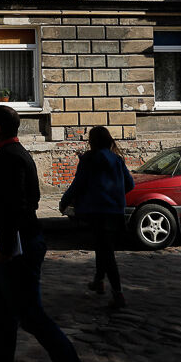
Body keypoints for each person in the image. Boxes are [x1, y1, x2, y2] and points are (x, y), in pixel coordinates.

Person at [0, 105, 96, 362]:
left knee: (31, 316)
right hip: (11, 241)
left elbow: (18, 207)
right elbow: (16, 199)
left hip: (17, 245)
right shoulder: (14, 155)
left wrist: (5, 247)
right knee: (3, 311)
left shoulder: (10, 158)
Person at [59, 126, 135, 309]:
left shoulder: (89, 160)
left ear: (92, 142)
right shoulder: (117, 160)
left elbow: (78, 184)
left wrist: (64, 201)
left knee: (106, 252)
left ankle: (118, 293)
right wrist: (115, 195)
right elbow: (130, 184)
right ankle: (99, 281)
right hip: (115, 212)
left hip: (97, 212)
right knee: (103, 248)